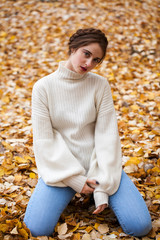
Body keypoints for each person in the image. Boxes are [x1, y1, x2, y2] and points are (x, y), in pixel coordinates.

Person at [24, 28, 152, 237]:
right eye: (86, 53)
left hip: (100, 165)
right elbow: (44, 141)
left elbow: (106, 136)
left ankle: (97, 192)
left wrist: (101, 186)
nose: (89, 63)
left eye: (96, 60)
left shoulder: (99, 85)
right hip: (62, 169)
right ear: (73, 48)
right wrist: (75, 181)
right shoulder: (43, 87)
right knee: (37, 229)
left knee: (140, 227)